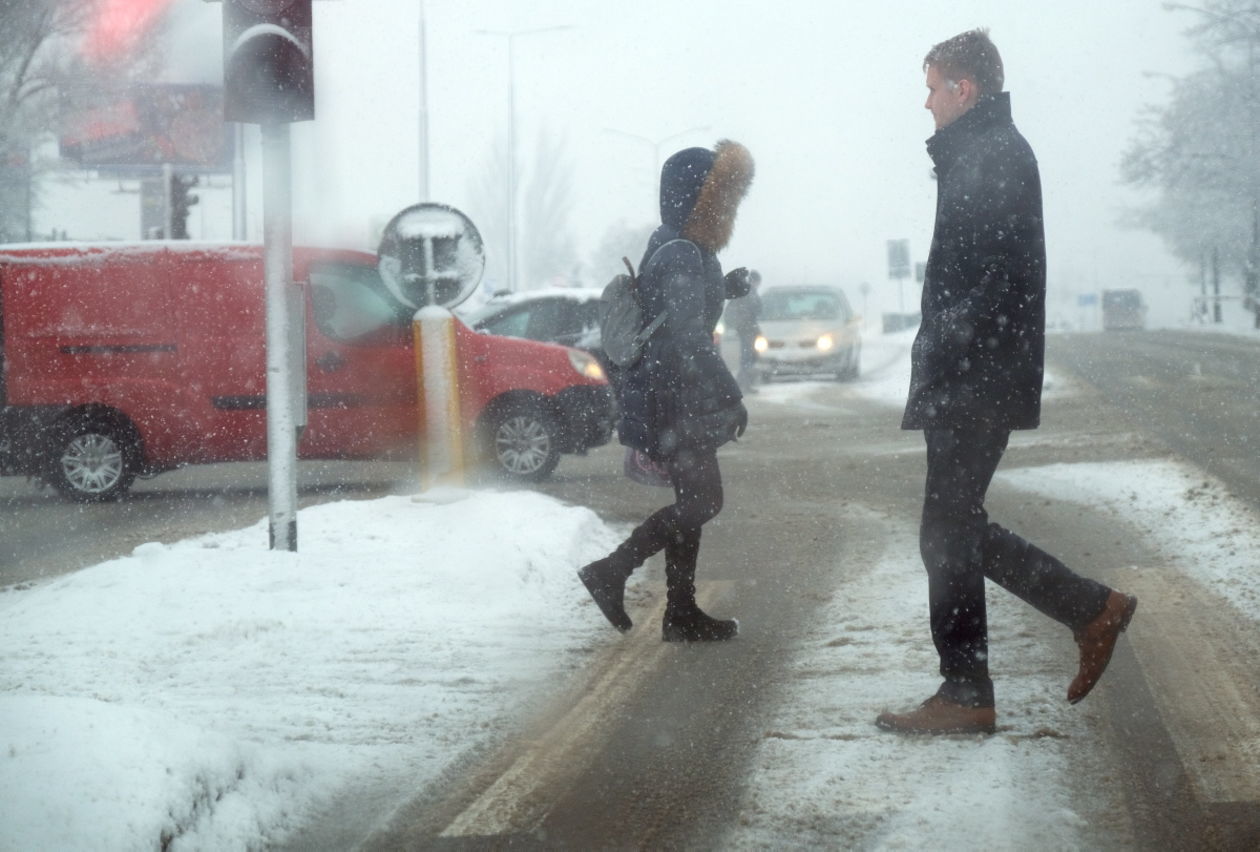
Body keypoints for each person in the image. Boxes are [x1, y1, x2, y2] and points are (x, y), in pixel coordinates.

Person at [876, 29, 1138, 734]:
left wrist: (947, 344)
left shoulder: (992, 156)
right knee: (952, 529)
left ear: (965, 90)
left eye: (934, 87)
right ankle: (1057, 629)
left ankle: (994, 672)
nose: (926, 102)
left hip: (975, 375)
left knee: (947, 530)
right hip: (975, 373)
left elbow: (993, 282)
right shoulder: (981, 153)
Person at [578, 139, 755, 642]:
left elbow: (678, 310)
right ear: (698, 198)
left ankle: (680, 611)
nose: (729, 208)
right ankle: (611, 570)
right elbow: (687, 336)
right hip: (674, 399)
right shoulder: (681, 251)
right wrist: (732, 395)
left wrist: (726, 287)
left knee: (692, 503)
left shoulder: (678, 244)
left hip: (672, 396)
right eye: (722, 197)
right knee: (703, 502)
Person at [723, 269, 762, 391]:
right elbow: (751, 311)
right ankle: (743, 384)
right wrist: (743, 325)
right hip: (747, 330)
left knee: (749, 357)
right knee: (748, 357)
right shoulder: (748, 293)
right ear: (755, 281)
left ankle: (743, 383)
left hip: (748, 329)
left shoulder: (748, 292)